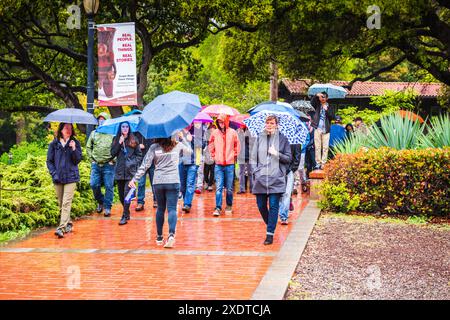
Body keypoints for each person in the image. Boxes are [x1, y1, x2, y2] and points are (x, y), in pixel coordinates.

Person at [129, 133, 192, 248]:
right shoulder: (177, 145)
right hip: (173, 181)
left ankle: (159, 237)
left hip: (158, 182)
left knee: (160, 209)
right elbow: (190, 152)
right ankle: (171, 234)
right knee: (172, 209)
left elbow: (145, 165)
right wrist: (183, 138)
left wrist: (134, 179)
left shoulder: (154, 147)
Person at [251, 115, 292, 245]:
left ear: (276, 125)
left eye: (272, 123)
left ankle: (270, 234)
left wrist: (276, 153)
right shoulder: (259, 138)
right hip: (261, 178)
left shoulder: (283, 139)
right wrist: (256, 172)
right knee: (261, 205)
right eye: (267, 123)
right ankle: (271, 224)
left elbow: (288, 158)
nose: (269, 125)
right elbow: (253, 158)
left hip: (276, 178)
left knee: (274, 205)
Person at [46, 123, 82, 238]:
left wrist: (74, 149)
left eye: (71, 128)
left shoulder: (75, 143)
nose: (69, 130)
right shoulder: (54, 144)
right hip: (58, 178)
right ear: (61, 129)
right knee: (62, 204)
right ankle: (68, 223)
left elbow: (77, 160)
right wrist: (54, 174)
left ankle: (61, 228)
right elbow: (49, 161)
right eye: (66, 128)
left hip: (71, 177)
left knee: (66, 202)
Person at [110, 122, 142, 225]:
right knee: (120, 196)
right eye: (123, 127)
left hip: (130, 172)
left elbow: (139, 155)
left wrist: (132, 162)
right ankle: (127, 211)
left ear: (129, 128)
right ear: (120, 128)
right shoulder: (116, 139)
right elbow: (112, 153)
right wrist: (119, 143)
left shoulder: (134, 139)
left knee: (127, 195)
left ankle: (124, 215)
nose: (125, 128)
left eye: (126, 127)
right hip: (119, 171)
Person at [209, 114, 240, 216]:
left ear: (226, 122)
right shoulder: (214, 133)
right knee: (219, 187)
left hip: (230, 164)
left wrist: (233, 156)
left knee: (229, 188)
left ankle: (229, 205)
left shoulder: (233, 132)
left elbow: (237, 146)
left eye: (222, 122)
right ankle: (217, 207)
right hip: (218, 164)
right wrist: (214, 156)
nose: (221, 124)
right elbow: (211, 145)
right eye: (219, 122)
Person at [86, 112, 115, 217]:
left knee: (109, 186)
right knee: (94, 184)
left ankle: (107, 207)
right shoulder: (94, 133)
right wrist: (91, 160)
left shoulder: (113, 133)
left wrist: (113, 160)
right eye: (99, 119)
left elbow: (116, 147)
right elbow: (88, 147)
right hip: (96, 164)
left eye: (103, 119)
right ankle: (100, 201)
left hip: (109, 164)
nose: (101, 121)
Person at [179, 122, 203, 213]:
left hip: (192, 163)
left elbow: (200, 146)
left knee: (190, 183)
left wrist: (192, 139)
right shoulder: (178, 133)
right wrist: (181, 139)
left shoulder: (195, 131)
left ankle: (187, 204)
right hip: (181, 162)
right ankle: (186, 201)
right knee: (183, 185)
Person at [278, 139, 301, 225]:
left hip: (289, 171)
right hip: (278, 170)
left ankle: (283, 216)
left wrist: (291, 169)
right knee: (279, 193)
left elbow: (297, 157)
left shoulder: (295, 140)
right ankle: (281, 211)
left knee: (287, 193)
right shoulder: (277, 139)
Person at [310, 92, 335, 169]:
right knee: (317, 147)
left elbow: (332, 117)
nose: (322, 98)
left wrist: (326, 110)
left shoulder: (330, 106)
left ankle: (323, 163)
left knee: (325, 147)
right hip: (317, 128)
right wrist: (316, 95)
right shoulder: (317, 105)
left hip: (326, 129)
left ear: (327, 98)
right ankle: (318, 163)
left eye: (324, 97)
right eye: (321, 97)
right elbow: (311, 102)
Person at [135, 132, 157, 212]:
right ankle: (140, 202)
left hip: (153, 161)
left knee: (154, 182)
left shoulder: (153, 131)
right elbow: (131, 143)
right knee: (141, 183)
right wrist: (138, 146)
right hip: (141, 161)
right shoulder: (137, 132)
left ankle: (156, 200)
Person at [237, 123, 254, 194]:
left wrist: (247, 137)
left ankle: (252, 189)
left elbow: (252, 142)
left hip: (249, 154)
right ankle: (242, 189)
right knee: (241, 172)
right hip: (241, 154)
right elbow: (237, 142)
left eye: (243, 124)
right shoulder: (238, 132)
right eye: (241, 125)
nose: (241, 126)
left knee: (251, 172)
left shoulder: (251, 131)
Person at [203, 122, 215, 191]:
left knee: (212, 170)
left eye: (214, 129)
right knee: (206, 170)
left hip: (214, 154)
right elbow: (204, 143)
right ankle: (206, 182)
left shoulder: (216, 136)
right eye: (211, 129)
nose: (212, 131)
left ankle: (210, 184)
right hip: (207, 153)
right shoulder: (206, 134)